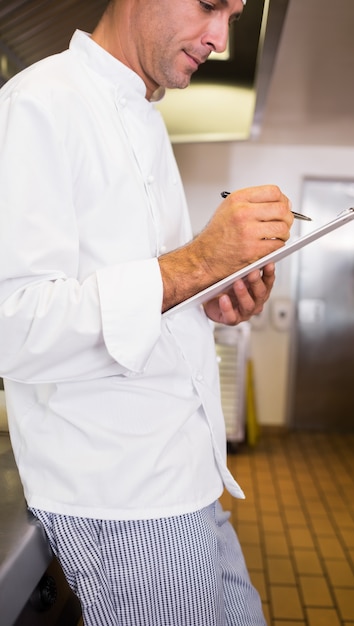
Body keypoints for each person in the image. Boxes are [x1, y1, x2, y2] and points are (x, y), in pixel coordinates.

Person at [0, 0, 293, 624]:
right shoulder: (40, 102)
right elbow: (13, 324)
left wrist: (212, 292)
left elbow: (143, 292)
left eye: (234, 17)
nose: (218, 37)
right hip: (122, 498)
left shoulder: (145, 115)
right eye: (210, 5)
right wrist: (195, 263)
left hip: (188, 477)